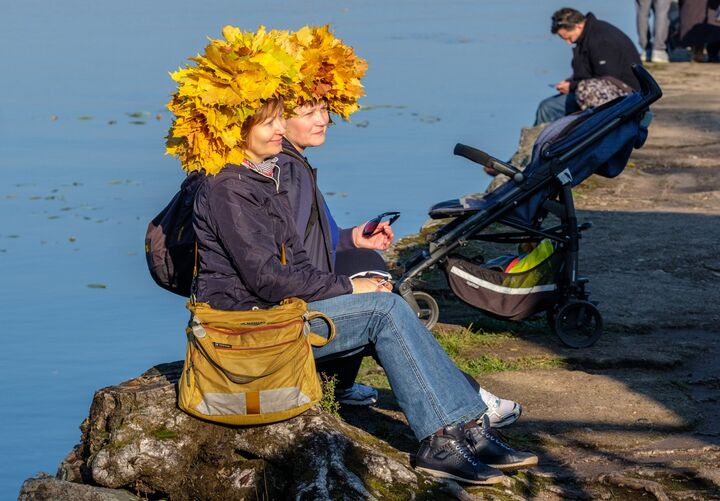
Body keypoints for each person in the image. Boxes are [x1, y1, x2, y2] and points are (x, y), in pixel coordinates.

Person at [167, 26, 538, 485]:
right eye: (271, 122)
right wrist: (348, 286)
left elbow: (296, 262)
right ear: (234, 128)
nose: (281, 129)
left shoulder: (260, 177)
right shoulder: (227, 188)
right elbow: (267, 280)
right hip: (251, 332)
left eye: (282, 118)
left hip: (274, 318)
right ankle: (445, 437)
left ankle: (465, 429)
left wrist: (350, 268)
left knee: (384, 304)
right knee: (383, 308)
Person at [276, 26, 524, 426]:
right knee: (377, 292)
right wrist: (351, 286)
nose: (324, 119)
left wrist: (351, 237)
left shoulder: (293, 163)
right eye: (310, 112)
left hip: (300, 298)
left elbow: (301, 240)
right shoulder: (285, 172)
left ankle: (339, 385)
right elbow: (286, 265)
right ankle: (469, 402)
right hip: (286, 319)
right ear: (277, 118)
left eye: (326, 110)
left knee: (367, 264)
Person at [535, 8, 642, 125]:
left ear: (578, 26)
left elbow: (607, 78)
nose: (568, 43)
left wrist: (572, 86)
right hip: (610, 90)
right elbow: (592, 72)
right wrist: (571, 81)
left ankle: (543, 142)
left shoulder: (600, 41)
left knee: (547, 107)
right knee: (550, 105)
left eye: (568, 38)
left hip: (625, 96)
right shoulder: (591, 33)